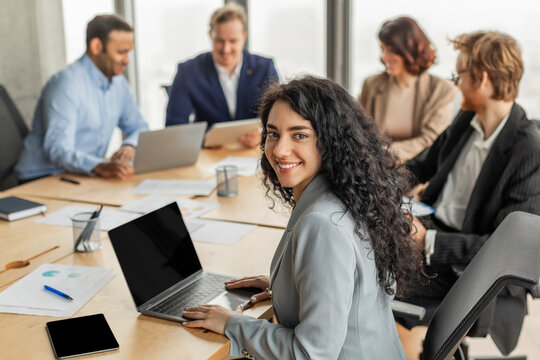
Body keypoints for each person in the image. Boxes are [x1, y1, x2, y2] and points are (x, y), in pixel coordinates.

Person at [181, 76, 421, 359]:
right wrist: (286, 287)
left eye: (300, 135)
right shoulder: (352, 197)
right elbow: (350, 289)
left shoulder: (322, 223)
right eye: (273, 133)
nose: (280, 150)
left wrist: (232, 323)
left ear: (331, 141)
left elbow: (311, 354)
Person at [402, 31, 540, 353]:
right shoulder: (467, 120)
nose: (455, 83)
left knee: (373, 278)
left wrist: (427, 241)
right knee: (365, 250)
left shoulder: (529, 150)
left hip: (470, 269)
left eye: (459, 75)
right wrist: (370, 185)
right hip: (431, 232)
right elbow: (417, 167)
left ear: (483, 79)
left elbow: (506, 248)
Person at [15, 15, 147, 182]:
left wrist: (130, 145)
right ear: (97, 46)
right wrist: (99, 165)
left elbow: (139, 127)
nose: (127, 60)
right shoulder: (66, 84)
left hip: (83, 174)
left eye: (129, 52)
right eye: (121, 52)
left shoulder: (119, 84)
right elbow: (58, 149)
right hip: (44, 176)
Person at [165, 3, 278, 148]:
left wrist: (262, 133)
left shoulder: (264, 68)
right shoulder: (188, 71)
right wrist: (205, 138)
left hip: (254, 151)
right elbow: (174, 126)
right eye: (220, 41)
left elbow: (278, 117)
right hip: (208, 152)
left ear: (244, 37)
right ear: (210, 36)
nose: (226, 49)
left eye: (233, 41)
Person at [359, 16, 455, 160]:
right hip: (374, 169)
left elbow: (430, 141)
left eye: (391, 51)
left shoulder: (442, 90)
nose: (384, 57)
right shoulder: (372, 85)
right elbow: (357, 130)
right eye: (383, 50)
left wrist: (384, 151)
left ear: (409, 51)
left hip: (417, 173)